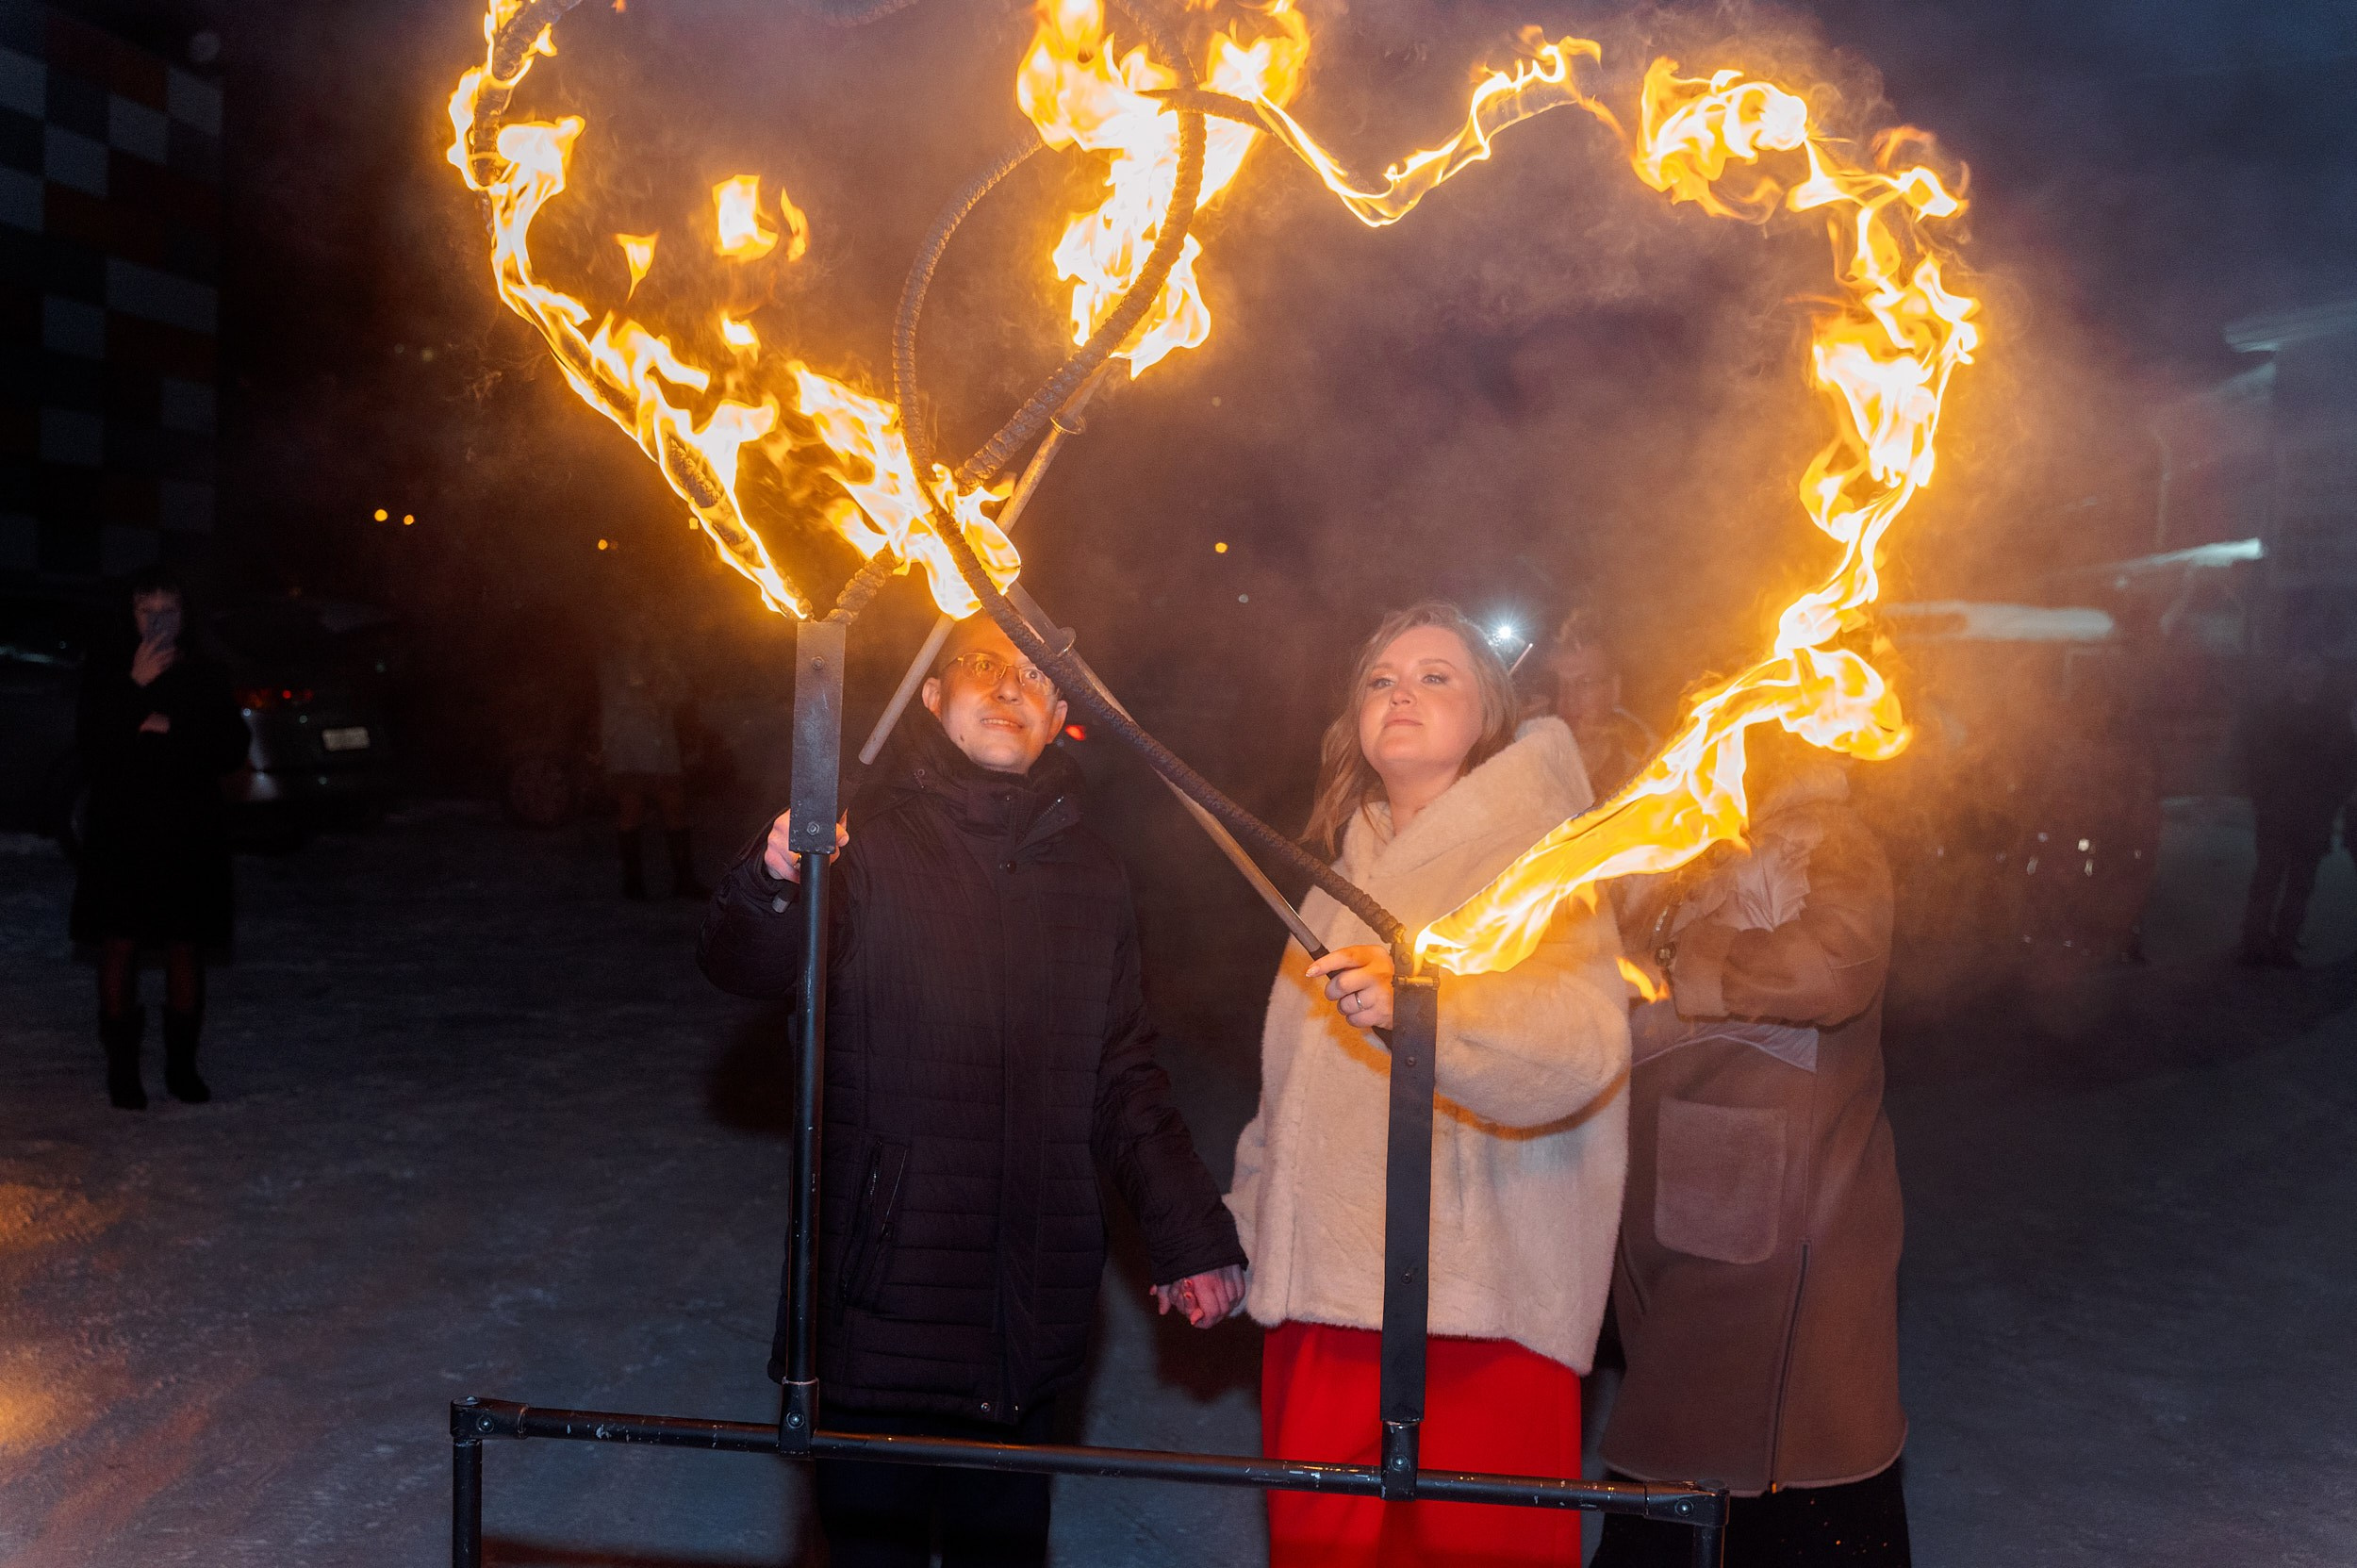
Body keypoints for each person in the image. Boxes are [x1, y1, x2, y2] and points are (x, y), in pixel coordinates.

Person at [698, 613, 1245, 1568]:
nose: (1006, 687)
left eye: (1032, 677)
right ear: (932, 697)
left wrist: (1188, 1231)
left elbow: (1122, 1071)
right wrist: (777, 875)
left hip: (1027, 1314)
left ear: (1058, 715)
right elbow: (743, 961)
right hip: (880, 1310)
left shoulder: (1094, 875)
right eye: (980, 667)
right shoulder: (860, 845)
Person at [1228, 602, 1631, 1568]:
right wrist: (1244, 1233)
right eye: (1380, 678)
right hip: (1322, 1306)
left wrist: (1429, 1009)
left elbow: (1582, 1048)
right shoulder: (1333, 880)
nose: (1400, 690)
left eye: (1435, 674)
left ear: (1488, 717)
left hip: (1476, 1312)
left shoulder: (1542, 866)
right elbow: (1290, 1094)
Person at [1591, 726, 1910, 1568]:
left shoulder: (1824, 836)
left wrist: (1675, 954)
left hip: (1770, 1255)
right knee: (1669, 1487)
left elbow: (1833, 966)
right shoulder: (1687, 846)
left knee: (1772, 1500)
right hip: (1687, 1236)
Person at [71, 566, 250, 1109]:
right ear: (129, 615)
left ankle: (181, 1067)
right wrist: (135, 690)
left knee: (182, 944)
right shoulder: (109, 669)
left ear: (185, 613)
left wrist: (172, 728)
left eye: (168, 607)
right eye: (146, 608)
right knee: (119, 943)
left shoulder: (206, 672)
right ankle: (122, 1071)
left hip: (187, 829)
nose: (158, 619)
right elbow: (94, 745)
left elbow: (229, 748)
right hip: (123, 830)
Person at [2235, 653, 2356, 967]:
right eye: (2300, 670)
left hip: (2311, 817)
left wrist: (2329, 804)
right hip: (2280, 814)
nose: (2305, 676)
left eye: (2311, 670)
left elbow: (2346, 768)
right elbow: (2255, 762)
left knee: (2297, 883)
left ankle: (2282, 945)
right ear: (2290, 674)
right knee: (2270, 879)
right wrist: (2263, 799)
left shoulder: (2332, 719)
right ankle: (2255, 943)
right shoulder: (2273, 715)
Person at [599, 615, 702, 900]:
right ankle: (633, 883)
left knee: (674, 807)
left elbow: (681, 691)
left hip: (660, 747)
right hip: (629, 746)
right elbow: (617, 700)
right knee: (630, 810)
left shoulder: (660, 659)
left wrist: (664, 688)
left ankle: (684, 880)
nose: (638, 631)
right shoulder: (613, 662)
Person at [1539, 606, 1656, 802]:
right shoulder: (1528, 763)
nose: (1568, 698)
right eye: (1560, 684)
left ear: (1614, 689)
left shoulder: (1652, 772)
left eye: (1585, 683)